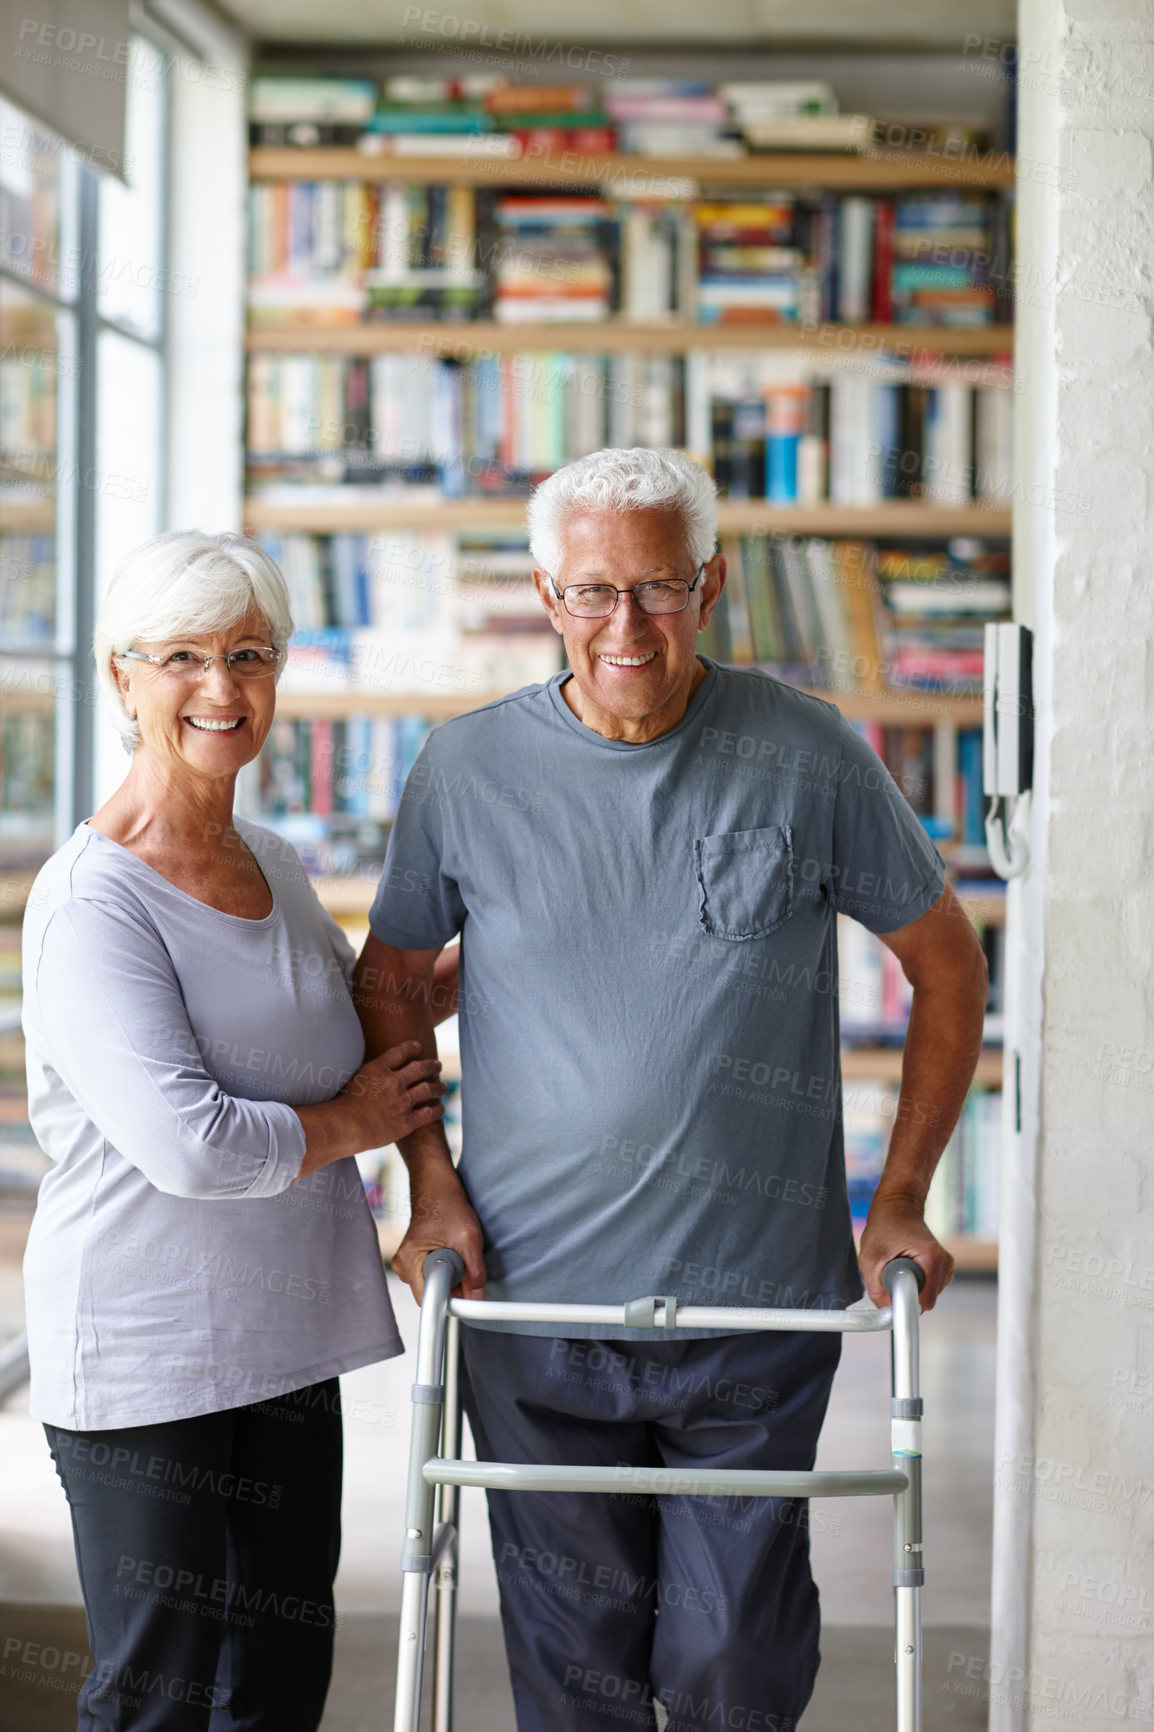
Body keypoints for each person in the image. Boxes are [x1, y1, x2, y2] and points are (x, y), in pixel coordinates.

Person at [355, 448, 989, 1732]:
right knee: (574, 1671)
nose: (624, 626)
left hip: (757, 1320)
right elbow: (389, 986)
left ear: (710, 583)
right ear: (545, 593)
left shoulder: (809, 753)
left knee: (732, 1670)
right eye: (591, 592)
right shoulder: (464, 771)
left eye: (655, 589)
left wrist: (904, 1199)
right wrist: (426, 1184)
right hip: (531, 1312)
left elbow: (944, 965)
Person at [21, 530, 453, 1732]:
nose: (222, 688)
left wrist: (513, 947)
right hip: (143, 1354)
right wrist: (360, 1119)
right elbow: (193, 1145)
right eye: (183, 658)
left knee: (273, 1685)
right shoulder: (89, 901)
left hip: (281, 1342)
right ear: (122, 677)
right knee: (158, 1693)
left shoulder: (268, 857)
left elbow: (353, 1018)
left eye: (250, 654)